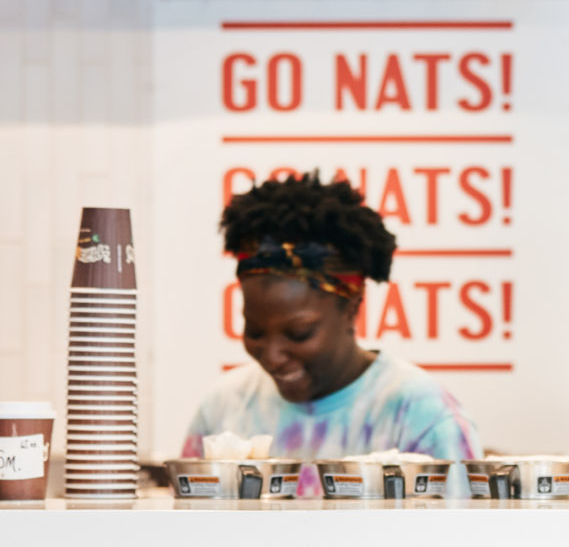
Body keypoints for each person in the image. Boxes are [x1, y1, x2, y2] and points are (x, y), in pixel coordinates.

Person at [182, 173, 481, 461]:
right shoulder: (223, 407)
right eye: (255, 331)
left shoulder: (422, 416)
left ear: (352, 308)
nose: (272, 357)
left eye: (299, 333)